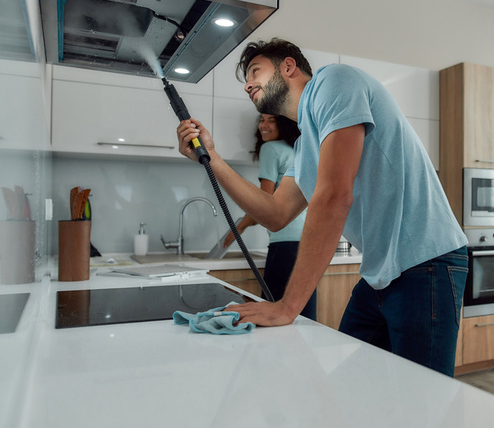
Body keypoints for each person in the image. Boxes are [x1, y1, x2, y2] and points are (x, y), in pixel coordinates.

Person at [177, 38, 468, 376]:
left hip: (426, 261)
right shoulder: (306, 145)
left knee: (422, 401)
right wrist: (211, 159)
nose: (247, 83)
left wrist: (287, 307)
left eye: (255, 71)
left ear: (289, 66)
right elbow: (275, 214)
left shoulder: (334, 81)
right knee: (351, 392)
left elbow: (334, 196)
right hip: (381, 273)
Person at [236, 113, 316, 320]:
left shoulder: (270, 149)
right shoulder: (298, 151)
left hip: (285, 243)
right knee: (303, 317)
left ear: (284, 124)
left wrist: (237, 229)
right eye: (262, 120)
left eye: (271, 120)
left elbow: (264, 203)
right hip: (306, 241)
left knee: (273, 313)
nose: (264, 125)